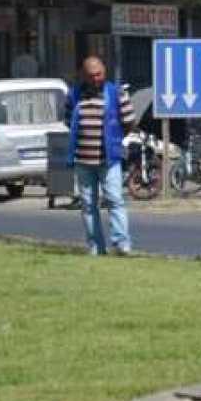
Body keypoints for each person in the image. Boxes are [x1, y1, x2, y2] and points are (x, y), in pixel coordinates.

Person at [65, 56, 136, 256]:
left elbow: (129, 120)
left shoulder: (116, 93)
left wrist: (115, 139)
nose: (96, 79)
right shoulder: (74, 95)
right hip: (83, 160)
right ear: (83, 76)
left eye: (99, 74)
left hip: (109, 159)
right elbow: (69, 122)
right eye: (91, 76)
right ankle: (96, 247)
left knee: (114, 200)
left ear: (105, 72)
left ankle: (121, 244)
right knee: (88, 205)